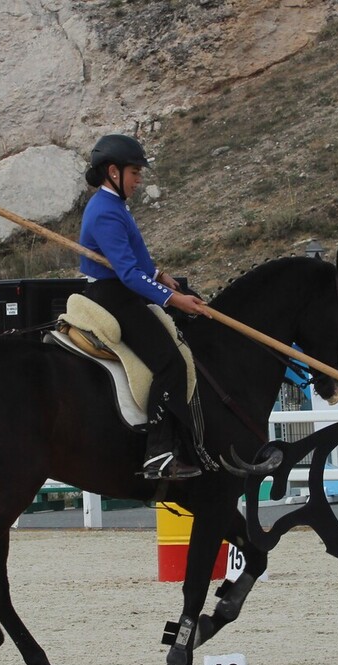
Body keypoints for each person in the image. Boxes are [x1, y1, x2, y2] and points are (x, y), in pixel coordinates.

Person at [79, 133, 211, 480]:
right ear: (113, 172)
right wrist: (175, 299)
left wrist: (161, 275)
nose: (139, 181)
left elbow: (131, 260)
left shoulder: (114, 205)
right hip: (114, 295)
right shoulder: (105, 212)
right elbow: (126, 274)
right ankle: (158, 453)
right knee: (169, 362)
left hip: (126, 286)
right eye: (135, 173)